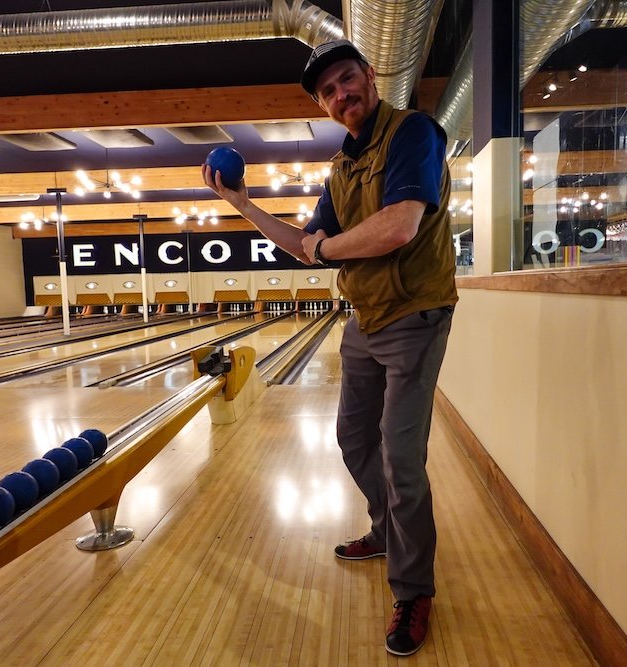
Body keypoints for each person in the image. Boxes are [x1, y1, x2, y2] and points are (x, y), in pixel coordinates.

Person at [202, 39, 457, 657]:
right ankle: (385, 529)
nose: (342, 94)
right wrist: (242, 205)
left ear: (369, 77)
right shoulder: (342, 170)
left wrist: (324, 250)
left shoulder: (413, 133)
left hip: (416, 315)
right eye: (329, 92)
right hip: (365, 319)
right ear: (324, 105)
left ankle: (414, 588)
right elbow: (303, 243)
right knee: (352, 440)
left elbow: (400, 225)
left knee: (401, 459)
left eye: (348, 80)